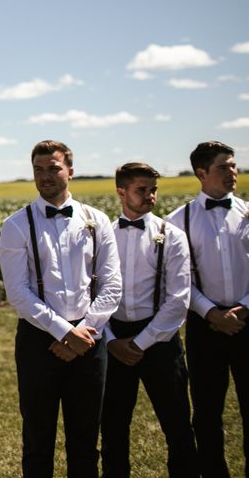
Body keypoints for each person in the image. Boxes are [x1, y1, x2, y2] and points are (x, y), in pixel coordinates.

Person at [0, 139, 122, 477]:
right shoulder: (16, 225)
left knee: (85, 442)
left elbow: (112, 286)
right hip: (38, 342)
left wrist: (83, 332)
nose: (45, 176)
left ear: (70, 171)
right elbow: (18, 293)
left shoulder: (97, 220)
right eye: (38, 170)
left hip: (90, 341)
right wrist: (66, 333)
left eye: (53, 168)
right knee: (38, 442)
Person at [100, 162, 197, 477]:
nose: (150, 196)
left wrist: (139, 344)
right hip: (113, 337)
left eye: (153, 189)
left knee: (178, 424)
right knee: (113, 427)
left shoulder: (172, 235)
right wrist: (113, 341)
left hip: (159, 339)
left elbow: (178, 299)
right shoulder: (103, 235)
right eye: (142, 190)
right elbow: (92, 290)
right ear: (121, 192)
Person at [167, 141, 248, 477]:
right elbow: (178, 280)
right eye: (224, 167)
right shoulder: (177, 221)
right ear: (202, 173)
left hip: (248, 322)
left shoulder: (248, 212)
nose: (234, 172)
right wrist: (211, 313)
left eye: (234, 165)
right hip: (204, 326)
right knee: (206, 411)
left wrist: (243, 308)